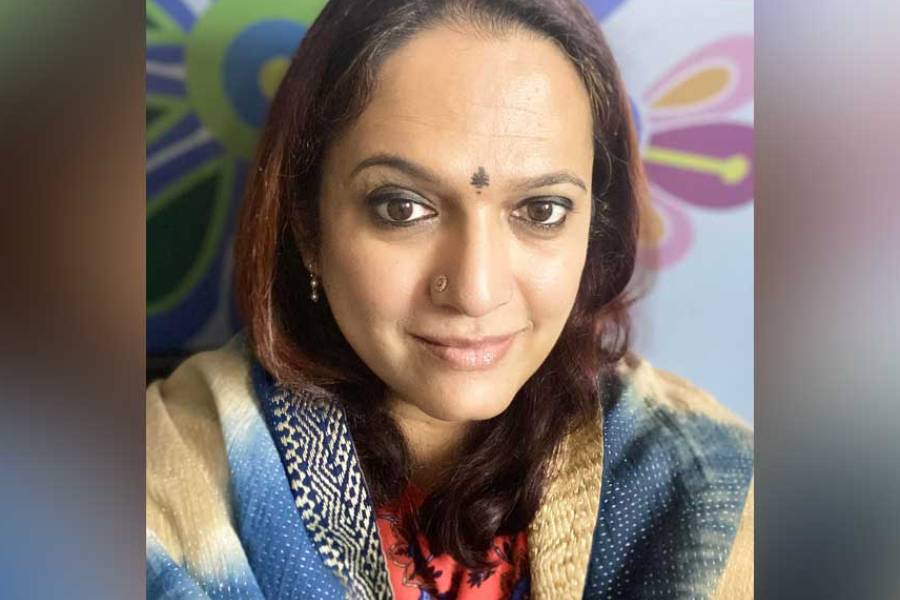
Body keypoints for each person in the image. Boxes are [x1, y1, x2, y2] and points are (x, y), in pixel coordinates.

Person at [146, 0, 753, 598]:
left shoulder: (707, 486)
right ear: (308, 225)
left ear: (595, 225)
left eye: (542, 210)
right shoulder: (164, 484)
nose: (475, 292)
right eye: (401, 207)